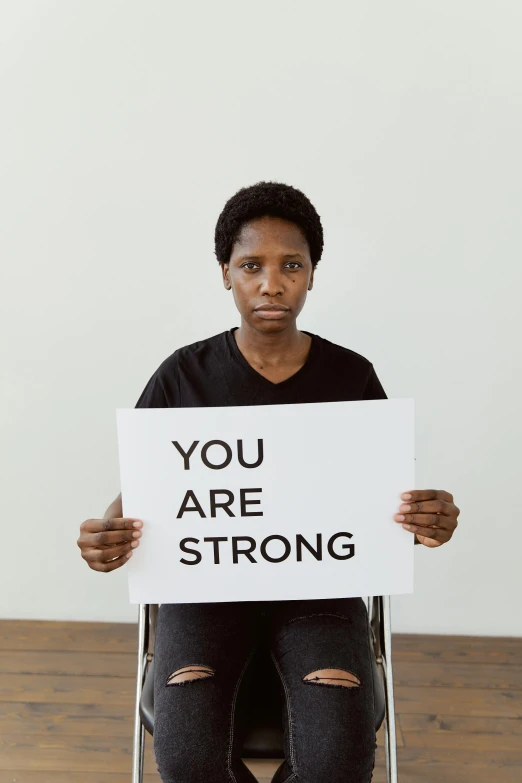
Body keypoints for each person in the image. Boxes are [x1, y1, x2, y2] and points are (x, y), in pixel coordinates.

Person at [78, 181, 460, 782]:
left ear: (312, 274)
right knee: (186, 753)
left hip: (320, 592)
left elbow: (387, 504)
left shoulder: (351, 376)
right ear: (225, 273)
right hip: (203, 589)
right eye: (251, 265)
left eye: (292, 266)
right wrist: (106, 537)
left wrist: (428, 520)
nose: (272, 284)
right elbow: (142, 494)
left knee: (337, 756)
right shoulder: (183, 375)